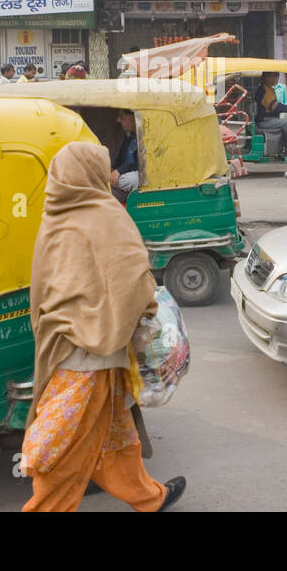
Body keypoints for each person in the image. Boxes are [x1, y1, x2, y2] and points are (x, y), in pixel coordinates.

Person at [21, 142, 186, 512]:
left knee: (114, 429)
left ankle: (149, 498)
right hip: (89, 356)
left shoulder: (56, 212)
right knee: (66, 446)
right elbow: (134, 279)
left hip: (61, 342)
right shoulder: (104, 213)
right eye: (105, 166)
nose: (111, 174)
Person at [254, 71, 287, 151]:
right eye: (272, 76)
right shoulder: (263, 91)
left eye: (276, 76)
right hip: (263, 121)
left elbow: (276, 105)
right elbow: (275, 107)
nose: (275, 79)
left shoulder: (269, 89)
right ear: (266, 77)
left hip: (268, 119)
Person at [109, 108, 140, 198]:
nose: (118, 120)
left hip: (135, 178)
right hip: (123, 177)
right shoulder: (128, 137)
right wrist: (113, 169)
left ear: (134, 117)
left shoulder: (146, 137)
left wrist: (119, 171)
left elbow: (142, 165)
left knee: (133, 179)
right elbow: (120, 160)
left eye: (122, 117)